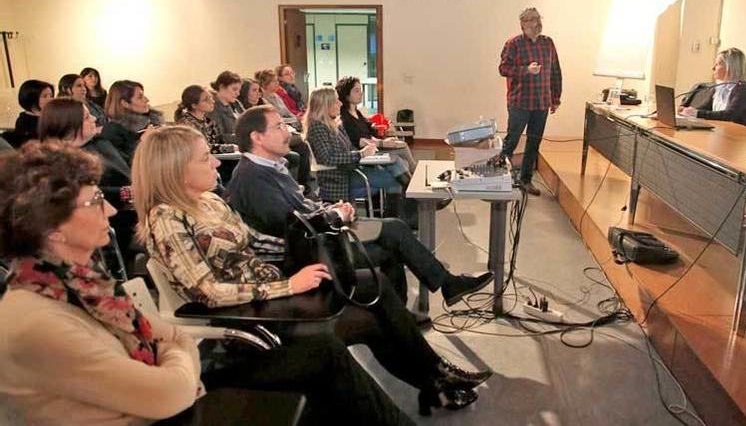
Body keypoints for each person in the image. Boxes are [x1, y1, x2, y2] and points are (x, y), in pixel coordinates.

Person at [133, 126, 492, 421]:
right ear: (176, 170)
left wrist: (311, 246)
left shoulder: (210, 201)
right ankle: (434, 380)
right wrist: (288, 283)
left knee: (373, 286)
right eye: (204, 158)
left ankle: (436, 376)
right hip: (250, 313)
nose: (215, 162)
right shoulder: (167, 218)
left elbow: (258, 243)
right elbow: (209, 292)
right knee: (365, 316)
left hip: (270, 287)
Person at [0, 141, 202, 425]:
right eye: (95, 201)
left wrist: (170, 358)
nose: (110, 210)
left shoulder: (84, 284)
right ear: (51, 227)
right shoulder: (36, 320)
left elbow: (177, 339)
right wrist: (172, 359)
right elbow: (172, 392)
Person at [225, 105, 493, 306]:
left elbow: (302, 207)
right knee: (394, 238)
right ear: (257, 138)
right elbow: (293, 228)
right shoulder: (252, 178)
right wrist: (335, 214)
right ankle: (441, 289)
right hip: (308, 252)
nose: (289, 132)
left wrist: (332, 209)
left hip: (320, 234)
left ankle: (423, 302)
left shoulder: (271, 167)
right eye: (279, 127)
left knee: (395, 232)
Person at [38, 98, 140, 272]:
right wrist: (126, 193)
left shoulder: (101, 144)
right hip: (106, 221)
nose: (94, 118)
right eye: (86, 117)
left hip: (128, 207)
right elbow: (85, 197)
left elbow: (130, 168)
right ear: (69, 126)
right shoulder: (58, 164)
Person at [305, 87, 409, 213]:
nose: (340, 103)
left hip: (350, 170)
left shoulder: (336, 124)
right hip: (338, 177)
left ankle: (403, 213)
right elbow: (327, 158)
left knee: (396, 165)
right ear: (325, 105)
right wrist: (361, 154)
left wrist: (366, 149)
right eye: (336, 101)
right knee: (394, 179)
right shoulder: (317, 127)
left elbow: (349, 148)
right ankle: (403, 213)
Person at [499, 7, 562, 196]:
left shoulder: (548, 43)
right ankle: (500, 177)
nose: (533, 24)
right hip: (520, 102)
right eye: (529, 21)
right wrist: (526, 70)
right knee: (512, 140)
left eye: (535, 20)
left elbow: (555, 70)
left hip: (541, 102)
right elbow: (503, 68)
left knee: (534, 143)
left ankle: (525, 179)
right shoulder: (514, 44)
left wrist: (556, 97)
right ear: (522, 24)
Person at [337, 75, 417, 173]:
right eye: (356, 91)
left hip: (374, 147)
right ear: (346, 95)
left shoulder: (357, 113)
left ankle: (414, 176)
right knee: (402, 149)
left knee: (403, 157)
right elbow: (359, 141)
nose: (361, 93)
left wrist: (382, 129)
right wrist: (383, 143)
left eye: (360, 90)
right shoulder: (345, 117)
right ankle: (417, 175)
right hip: (365, 153)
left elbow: (370, 127)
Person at [678, 47, 746, 128]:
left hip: (738, 134)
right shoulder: (720, 86)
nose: (713, 68)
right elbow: (707, 108)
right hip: (719, 129)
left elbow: (729, 115)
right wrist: (686, 111)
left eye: (717, 64)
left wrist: (696, 113)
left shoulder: (744, 88)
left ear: (730, 66)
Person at [102, 79, 164, 163]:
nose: (147, 100)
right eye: (140, 97)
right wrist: (143, 141)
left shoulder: (152, 120)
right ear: (125, 103)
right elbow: (121, 166)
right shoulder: (112, 131)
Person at [174, 84, 235, 154]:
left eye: (211, 98)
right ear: (194, 105)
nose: (212, 102)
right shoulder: (186, 124)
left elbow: (217, 141)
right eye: (206, 100)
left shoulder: (208, 120)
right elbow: (199, 148)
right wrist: (230, 148)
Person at [11, 79, 54, 147]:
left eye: (51, 96)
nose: (51, 99)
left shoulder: (51, 116)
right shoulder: (24, 122)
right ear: (32, 98)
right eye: (45, 96)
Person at [207, 70, 245, 144]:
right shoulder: (212, 107)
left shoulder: (236, 103)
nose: (238, 93)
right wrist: (246, 139)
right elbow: (219, 136)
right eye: (234, 89)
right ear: (222, 87)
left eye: (239, 90)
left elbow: (249, 123)